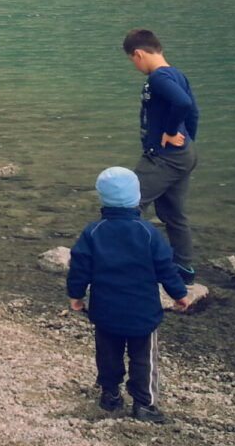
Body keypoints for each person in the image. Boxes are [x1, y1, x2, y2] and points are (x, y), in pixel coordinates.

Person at [68, 167, 190, 423]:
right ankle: (145, 405)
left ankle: (110, 395)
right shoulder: (148, 232)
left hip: (105, 311)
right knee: (144, 359)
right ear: (136, 198)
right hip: (142, 312)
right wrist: (179, 294)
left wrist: (76, 295)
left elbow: (80, 267)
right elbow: (166, 268)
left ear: (102, 199)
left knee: (108, 355)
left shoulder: (94, 231)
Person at [123, 28, 200, 282]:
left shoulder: (158, 78)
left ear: (138, 54)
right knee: (173, 214)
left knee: (127, 205)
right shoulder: (177, 74)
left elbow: (183, 104)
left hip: (163, 157)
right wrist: (186, 141)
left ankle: (129, 264)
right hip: (182, 155)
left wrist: (169, 133)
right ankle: (184, 268)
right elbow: (193, 113)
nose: (134, 66)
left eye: (132, 61)